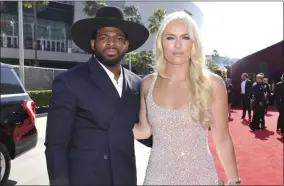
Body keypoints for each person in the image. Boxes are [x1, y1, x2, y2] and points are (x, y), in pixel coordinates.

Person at [44, 6, 150, 185]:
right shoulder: (70, 81)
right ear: (93, 44)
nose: (111, 43)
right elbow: (56, 145)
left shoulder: (136, 83)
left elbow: (144, 131)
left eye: (118, 38)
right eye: (104, 37)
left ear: (126, 45)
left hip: (125, 179)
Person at [133, 11, 240, 185]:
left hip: (200, 177)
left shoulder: (212, 84)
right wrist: (103, 122)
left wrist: (234, 180)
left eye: (185, 37)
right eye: (170, 38)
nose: (177, 45)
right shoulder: (148, 83)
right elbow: (145, 130)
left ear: (194, 43)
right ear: (161, 42)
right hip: (157, 178)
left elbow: (222, 138)